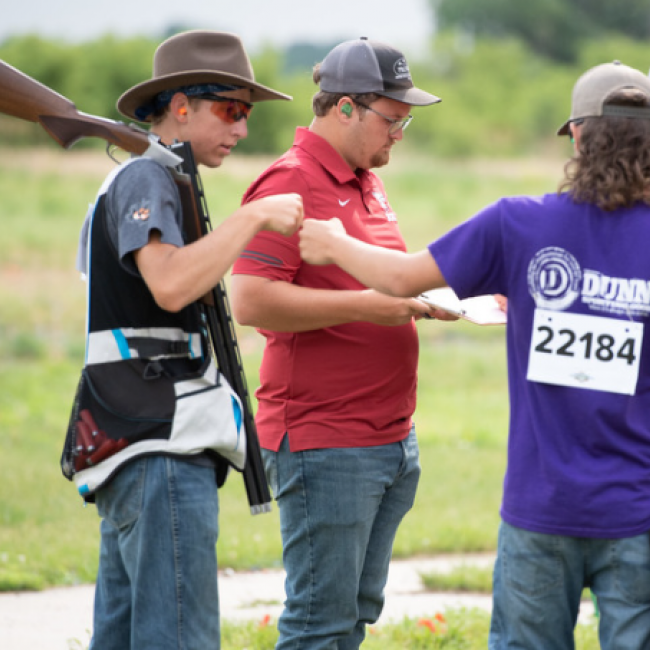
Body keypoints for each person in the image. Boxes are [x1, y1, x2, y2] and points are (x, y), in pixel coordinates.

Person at [299, 60, 650, 649]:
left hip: (541, 509)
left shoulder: (518, 224)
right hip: (640, 512)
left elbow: (403, 277)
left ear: (580, 138)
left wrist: (334, 242)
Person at [64, 30, 303, 650]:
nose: (242, 129)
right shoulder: (147, 178)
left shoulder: (149, 179)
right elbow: (169, 286)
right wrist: (252, 218)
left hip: (135, 437)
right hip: (159, 444)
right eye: (231, 109)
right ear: (179, 107)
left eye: (245, 114)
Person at [230, 37, 441, 649]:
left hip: (388, 435)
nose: (400, 132)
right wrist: (369, 309)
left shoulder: (366, 179)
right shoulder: (291, 180)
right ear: (344, 108)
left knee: (353, 616)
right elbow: (249, 300)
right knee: (319, 624)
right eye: (392, 118)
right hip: (327, 439)